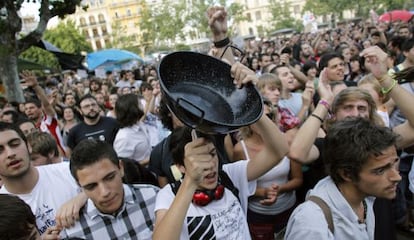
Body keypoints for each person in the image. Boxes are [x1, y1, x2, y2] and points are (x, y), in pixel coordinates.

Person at [153, 8, 289, 239]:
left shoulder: (231, 176)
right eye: (198, 159)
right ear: (181, 167)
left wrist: (250, 103)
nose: (209, 166)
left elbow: (279, 151)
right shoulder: (169, 195)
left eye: (212, 155)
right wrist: (190, 182)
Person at [289, 46, 414, 240]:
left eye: (362, 108)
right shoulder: (329, 145)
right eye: (348, 108)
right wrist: (324, 102)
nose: (356, 114)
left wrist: (384, 77)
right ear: (334, 113)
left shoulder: (380, 142)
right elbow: (297, 153)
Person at [285, 118, 401, 239]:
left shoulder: (366, 198)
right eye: (380, 170)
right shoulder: (311, 225)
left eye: (394, 164)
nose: (397, 177)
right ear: (347, 174)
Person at [60, 139, 159, 239]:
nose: (105, 192)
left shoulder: (155, 198)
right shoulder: (72, 231)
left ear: (121, 168)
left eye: (110, 178)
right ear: (79, 185)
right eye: (91, 186)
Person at [0, 122, 84, 238]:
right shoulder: (3, 208)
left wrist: (86, 195)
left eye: (15, 144)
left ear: (28, 146)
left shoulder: (68, 172)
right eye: (0, 150)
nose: (10, 154)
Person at [21, 71, 67, 157]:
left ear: (40, 109)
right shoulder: (29, 129)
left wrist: (35, 86)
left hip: (60, 161)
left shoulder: (49, 121)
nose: (29, 111)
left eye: (31, 108)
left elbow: (46, 104)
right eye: (26, 109)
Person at [114, 93, 151, 165]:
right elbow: (124, 167)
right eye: (140, 103)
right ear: (133, 108)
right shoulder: (124, 138)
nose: (142, 105)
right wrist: (149, 160)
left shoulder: (140, 124)